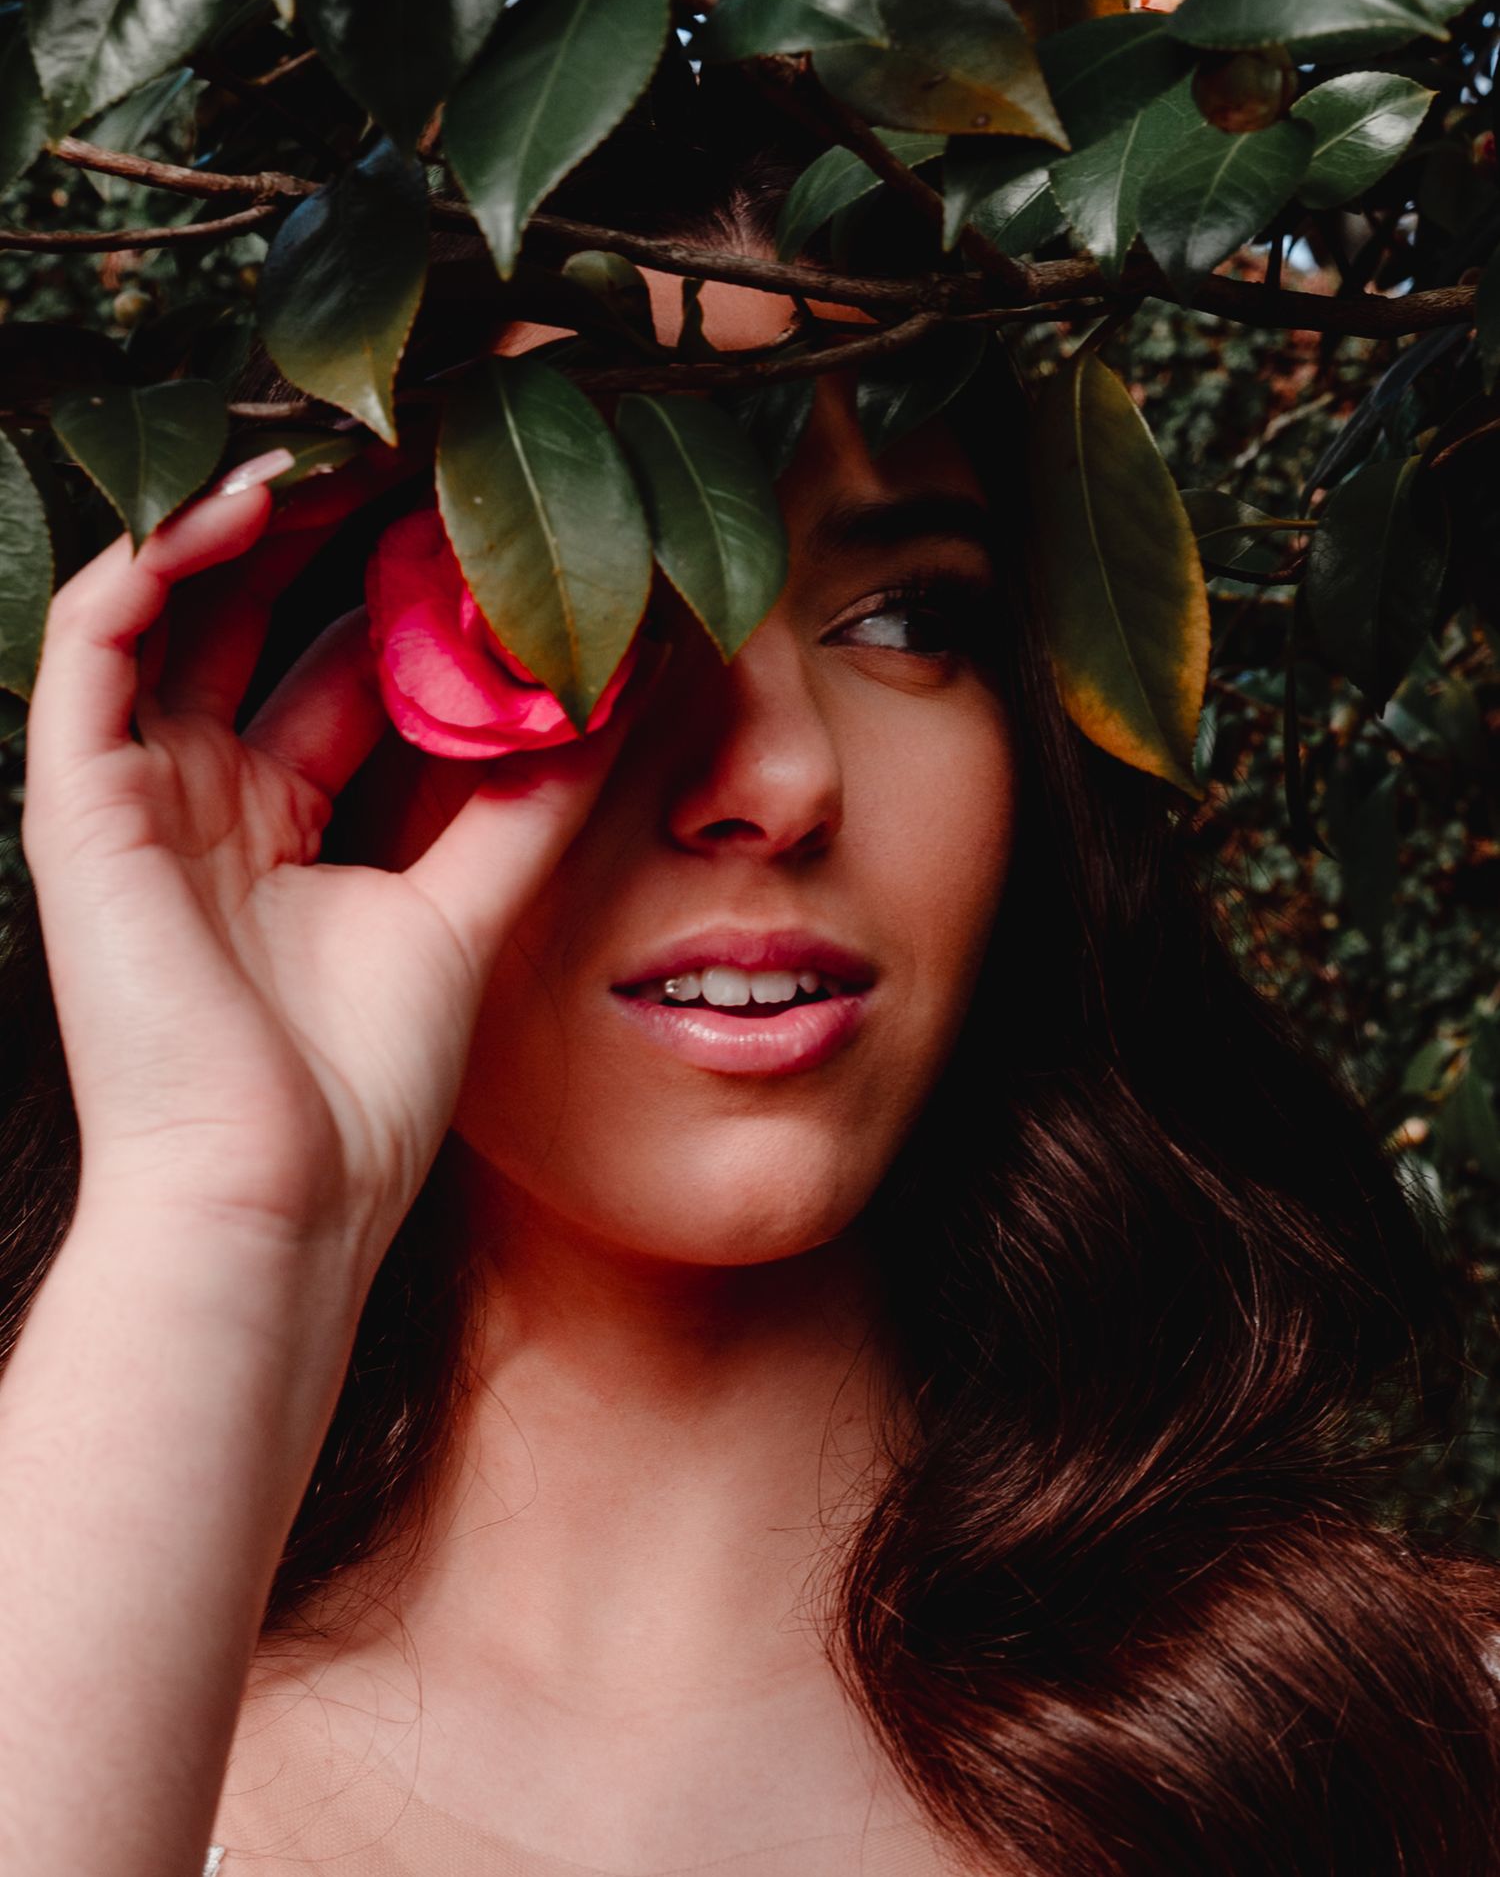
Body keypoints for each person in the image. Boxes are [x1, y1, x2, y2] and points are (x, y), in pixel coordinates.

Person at [3, 200, 1500, 1877]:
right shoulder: (84, 1728)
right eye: (585, 600)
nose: (780, 779)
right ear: (329, 716)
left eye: (909, 621)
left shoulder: (1423, 1740)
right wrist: (217, 1205)